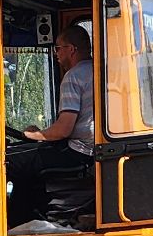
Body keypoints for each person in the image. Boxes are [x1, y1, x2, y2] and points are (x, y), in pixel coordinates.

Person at [8, 25, 94, 223]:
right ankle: (29, 216)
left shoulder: (73, 77)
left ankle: (15, 221)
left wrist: (32, 135)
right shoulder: (99, 70)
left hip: (79, 154)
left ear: (71, 50)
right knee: (29, 164)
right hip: (93, 151)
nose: (56, 53)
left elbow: (64, 129)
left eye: (58, 48)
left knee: (8, 160)